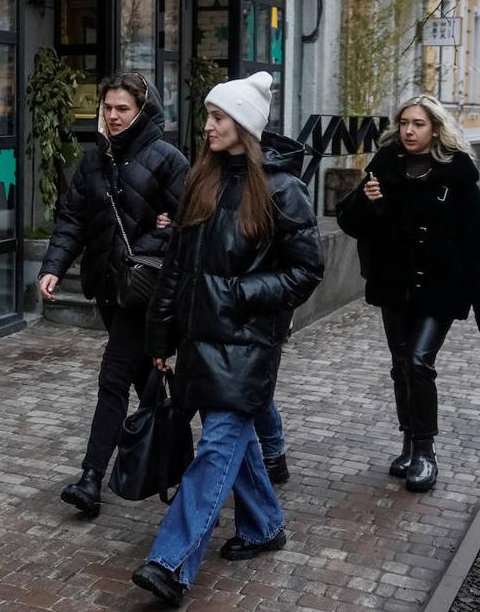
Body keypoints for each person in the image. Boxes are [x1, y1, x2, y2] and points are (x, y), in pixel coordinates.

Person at [131, 72, 324, 606]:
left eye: (218, 117)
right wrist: (160, 337)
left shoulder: (283, 188)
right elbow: (175, 268)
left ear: (244, 124)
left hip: (246, 343)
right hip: (197, 339)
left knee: (218, 446)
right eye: (210, 116)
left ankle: (170, 561)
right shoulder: (202, 180)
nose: (208, 126)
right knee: (233, 445)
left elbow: (307, 270)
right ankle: (263, 526)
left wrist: (241, 293)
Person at [337, 95, 480, 493]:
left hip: (441, 288)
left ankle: (426, 452)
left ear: (435, 129)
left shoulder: (457, 175)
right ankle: (408, 444)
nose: (409, 131)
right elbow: (349, 222)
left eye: (418, 124)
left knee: (418, 362)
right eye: (404, 123)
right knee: (400, 364)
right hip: (394, 285)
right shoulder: (384, 167)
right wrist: (368, 202)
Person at [38, 73, 188, 518]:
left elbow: (193, 226)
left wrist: (153, 244)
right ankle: (179, 470)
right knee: (149, 384)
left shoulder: (168, 160)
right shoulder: (94, 160)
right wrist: (53, 267)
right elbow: (72, 219)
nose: (113, 116)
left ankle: (91, 478)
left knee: (113, 378)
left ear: (143, 110)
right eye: (107, 108)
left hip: (148, 292)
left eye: (123, 109)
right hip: (110, 290)